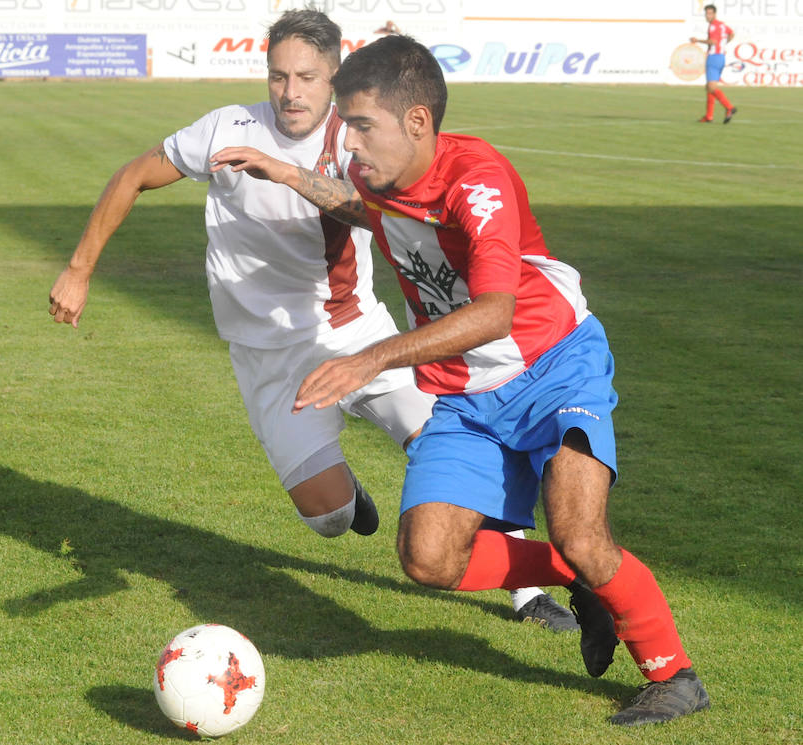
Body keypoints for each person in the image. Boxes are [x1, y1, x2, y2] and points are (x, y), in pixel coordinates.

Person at [213, 34, 711, 726]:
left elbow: (495, 312)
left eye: (360, 124)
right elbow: (367, 209)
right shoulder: (374, 177)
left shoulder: (477, 180)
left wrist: (373, 356)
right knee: (429, 557)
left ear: (417, 121)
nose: (346, 141)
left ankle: (675, 676)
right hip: (465, 389)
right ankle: (576, 578)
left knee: (581, 532)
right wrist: (289, 174)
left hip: (553, 363)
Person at [48, 10, 574, 629]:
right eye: (278, 76)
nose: (290, 92)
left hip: (359, 334)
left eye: (306, 76)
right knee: (327, 518)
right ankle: (349, 498)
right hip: (267, 357)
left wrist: (295, 177)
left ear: (334, 76)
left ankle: (533, 591)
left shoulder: (360, 142)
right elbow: (136, 174)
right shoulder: (227, 128)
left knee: (455, 448)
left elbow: (374, 213)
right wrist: (80, 269)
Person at [690, 4, 737, 123]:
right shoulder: (722, 25)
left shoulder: (713, 26)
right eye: (706, 13)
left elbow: (713, 41)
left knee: (711, 87)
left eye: (710, 13)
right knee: (709, 87)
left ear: (714, 14)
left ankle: (729, 107)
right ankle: (709, 116)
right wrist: (724, 44)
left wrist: (697, 40)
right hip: (721, 57)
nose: (708, 16)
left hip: (713, 58)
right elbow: (731, 34)